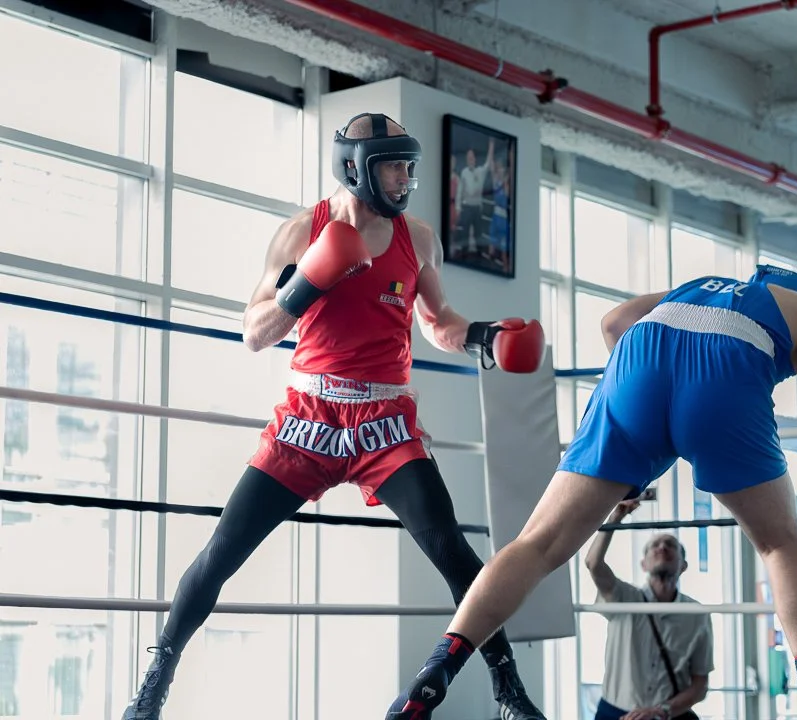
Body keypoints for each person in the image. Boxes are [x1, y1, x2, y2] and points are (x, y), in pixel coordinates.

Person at [120, 113, 547, 720]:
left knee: (454, 551)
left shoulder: (418, 238)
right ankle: (155, 683)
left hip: (385, 421)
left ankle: (509, 692)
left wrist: (479, 334)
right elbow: (253, 333)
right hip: (308, 418)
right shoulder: (302, 233)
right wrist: (307, 284)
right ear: (355, 166)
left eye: (408, 166)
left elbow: (437, 322)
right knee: (222, 552)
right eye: (394, 165)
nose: (405, 179)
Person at [386, 266, 797, 720]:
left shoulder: (704, 286)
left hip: (638, 362)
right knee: (779, 545)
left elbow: (612, 323)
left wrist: (650, 415)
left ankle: (437, 669)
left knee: (535, 545)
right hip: (726, 376)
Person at [584, 500, 712, 720]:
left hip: (670, 714)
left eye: (670, 545)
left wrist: (662, 710)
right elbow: (593, 563)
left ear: (683, 566)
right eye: (655, 546)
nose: (662, 547)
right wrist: (615, 518)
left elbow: (700, 685)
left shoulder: (696, 613)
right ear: (644, 564)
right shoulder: (624, 598)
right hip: (615, 713)